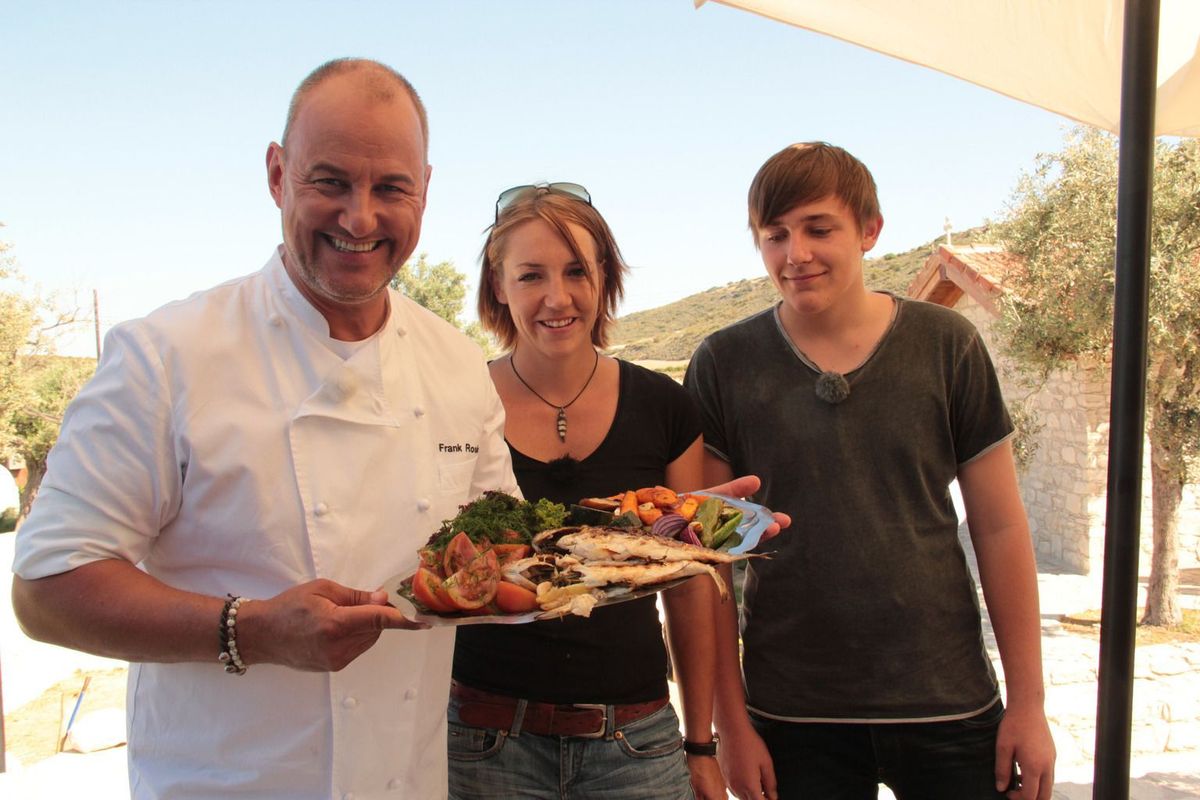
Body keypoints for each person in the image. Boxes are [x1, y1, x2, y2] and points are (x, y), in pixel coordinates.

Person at [10, 58, 521, 799]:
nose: (360, 218)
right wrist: (249, 629)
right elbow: (45, 586)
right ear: (278, 175)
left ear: (426, 190)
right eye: (330, 182)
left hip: (405, 781)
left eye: (390, 188)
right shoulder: (166, 355)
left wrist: (662, 543)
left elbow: (501, 542)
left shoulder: (454, 360)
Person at [685, 142, 1057, 800]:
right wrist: (730, 726)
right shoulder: (724, 362)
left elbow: (1000, 528)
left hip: (949, 705)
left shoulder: (947, 344)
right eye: (774, 235)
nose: (795, 254)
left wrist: (1028, 704)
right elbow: (708, 558)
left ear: (870, 230)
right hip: (791, 718)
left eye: (818, 229)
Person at [446, 183, 726, 799]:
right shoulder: (454, 403)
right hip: (483, 743)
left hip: (638, 743)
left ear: (605, 276)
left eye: (577, 270)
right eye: (530, 275)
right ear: (499, 286)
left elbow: (692, 590)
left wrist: (701, 744)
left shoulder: (667, 407)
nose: (557, 297)